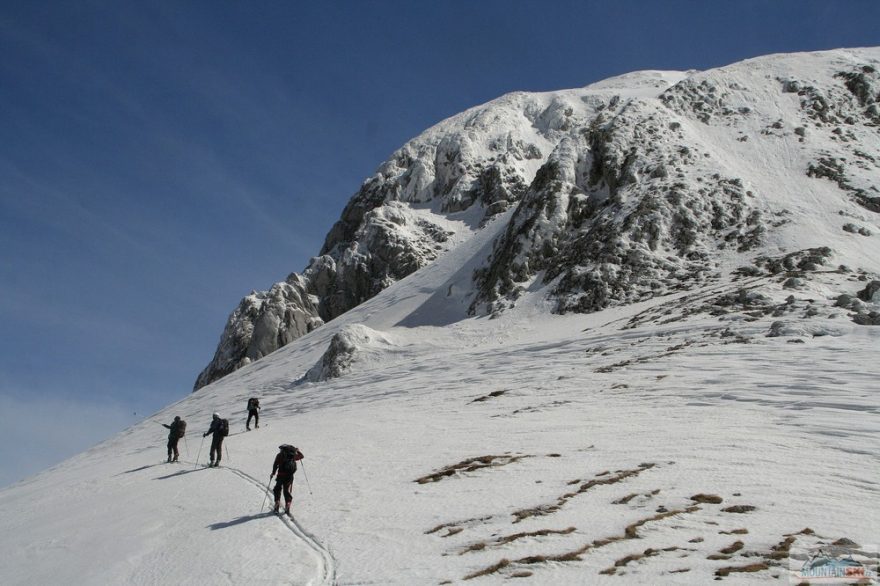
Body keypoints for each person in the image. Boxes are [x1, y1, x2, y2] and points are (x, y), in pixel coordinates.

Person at [270, 444, 304, 515]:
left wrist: (273, 473)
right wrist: (297, 451)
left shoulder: (279, 455)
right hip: (289, 477)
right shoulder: (292, 455)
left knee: (277, 489)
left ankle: (277, 503)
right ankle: (288, 504)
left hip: (280, 476)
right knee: (286, 490)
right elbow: (301, 456)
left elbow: (275, 465)